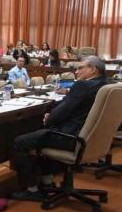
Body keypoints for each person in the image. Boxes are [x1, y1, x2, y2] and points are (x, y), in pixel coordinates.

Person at [11, 56, 108, 201]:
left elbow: (62, 111)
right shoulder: (105, 85)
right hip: (88, 138)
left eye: (80, 68)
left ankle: (32, 189)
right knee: (42, 134)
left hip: (70, 138)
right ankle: (47, 181)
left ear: (93, 69)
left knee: (20, 141)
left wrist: (49, 118)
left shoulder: (83, 86)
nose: (76, 71)